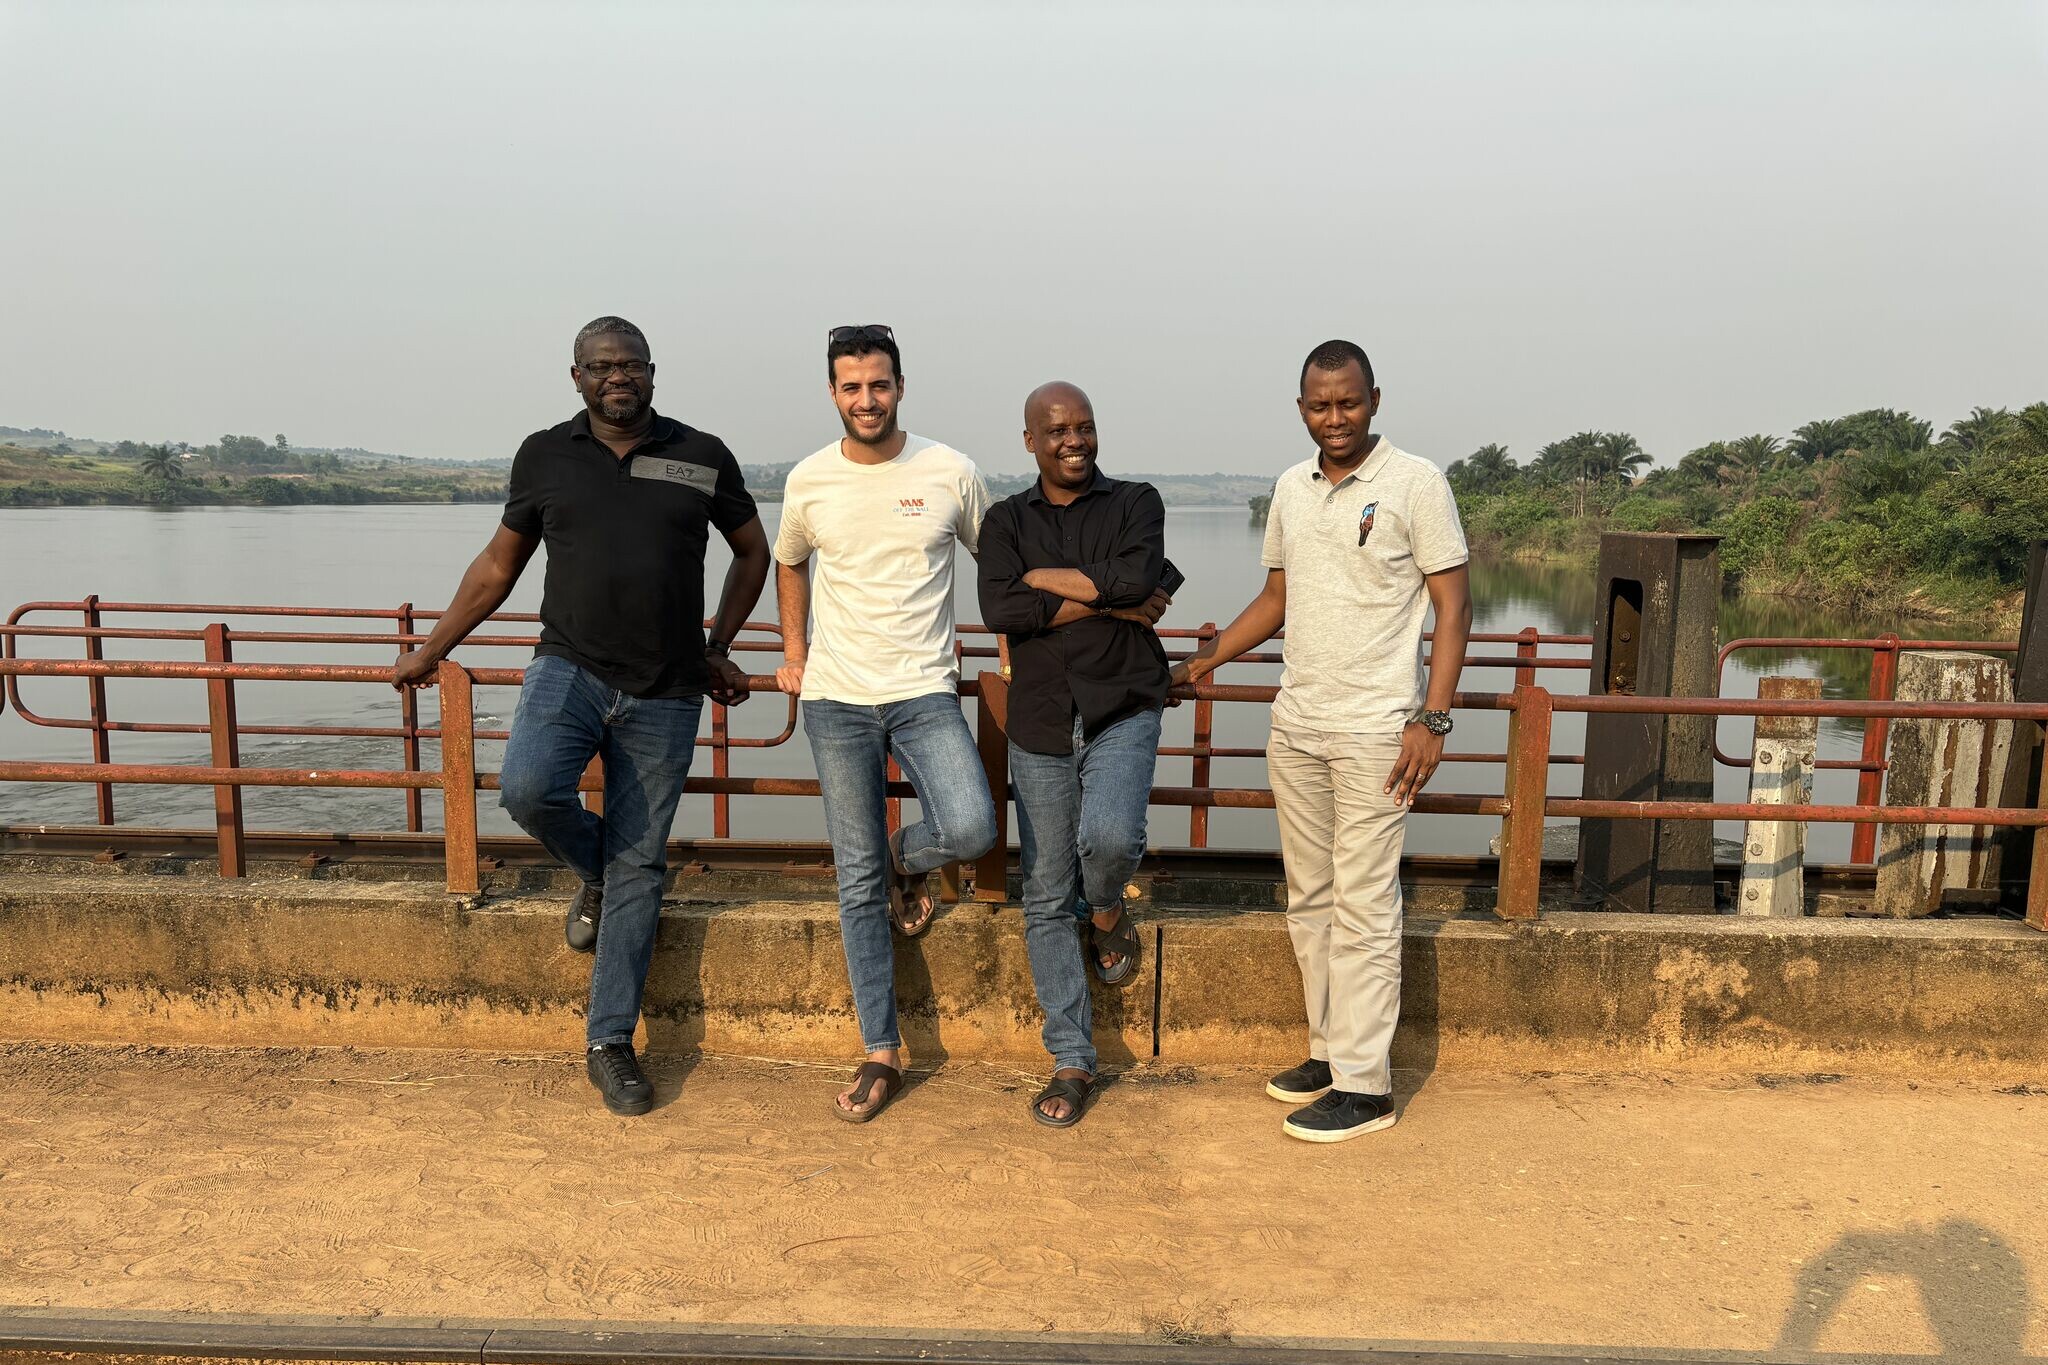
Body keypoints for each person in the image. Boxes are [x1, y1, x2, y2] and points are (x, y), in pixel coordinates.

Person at [393, 316, 769, 1117]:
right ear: (577, 378)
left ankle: (609, 1042)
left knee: (642, 863)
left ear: (653, 373)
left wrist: (719, 643)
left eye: (630, 364)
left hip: (668, 687)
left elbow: (751, 551)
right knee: (528, 789)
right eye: (601, 366)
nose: (617, 377)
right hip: (569, 669)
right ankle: (599, 874)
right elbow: (499, 565)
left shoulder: (700, 454)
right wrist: (432, 648)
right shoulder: (544, 454)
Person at [1173, 339, 1471, 1143]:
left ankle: (1367, 1087)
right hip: (1298, 722)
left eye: (1348, 402)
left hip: (1380, 729)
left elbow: (1454, 607)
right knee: (1309, 897)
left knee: (1366, 902)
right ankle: (1330, 1052)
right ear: (1300, 407)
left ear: (1375, 398)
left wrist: (1431, 717)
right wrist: (1207, 660)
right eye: (1319, 404)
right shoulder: (1290, 489)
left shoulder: (1416, 482)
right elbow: (1278, 595)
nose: (1334, 418)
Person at [772, 324, 998, 1124]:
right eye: (850, 386)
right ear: (833, 393)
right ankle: (881, 1049)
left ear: (901, 385)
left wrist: (1008, 651)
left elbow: (995, 565)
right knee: (853, 877)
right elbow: (789, 559)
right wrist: (794, 652)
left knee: (972, 827)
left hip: (924, 690)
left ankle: (909, 858)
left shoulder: (949, 471)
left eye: (878, 384)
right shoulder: (809, 480)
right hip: (835, 698)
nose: (865, 399)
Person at [977, 381, 1172, 1127]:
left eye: (1085, 427)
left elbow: (1140, 577)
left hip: (1123, 704)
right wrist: (1110, 599)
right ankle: (1071, 1057)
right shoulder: (1003, 520)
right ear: (1030, 440)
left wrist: (1046, 582)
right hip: (1040, 721)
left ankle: (1105, 909)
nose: (1074, 441)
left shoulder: (1136, 502)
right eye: (1057, 429)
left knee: (1111, 837)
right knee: (1043, 890)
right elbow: (1001, 607)